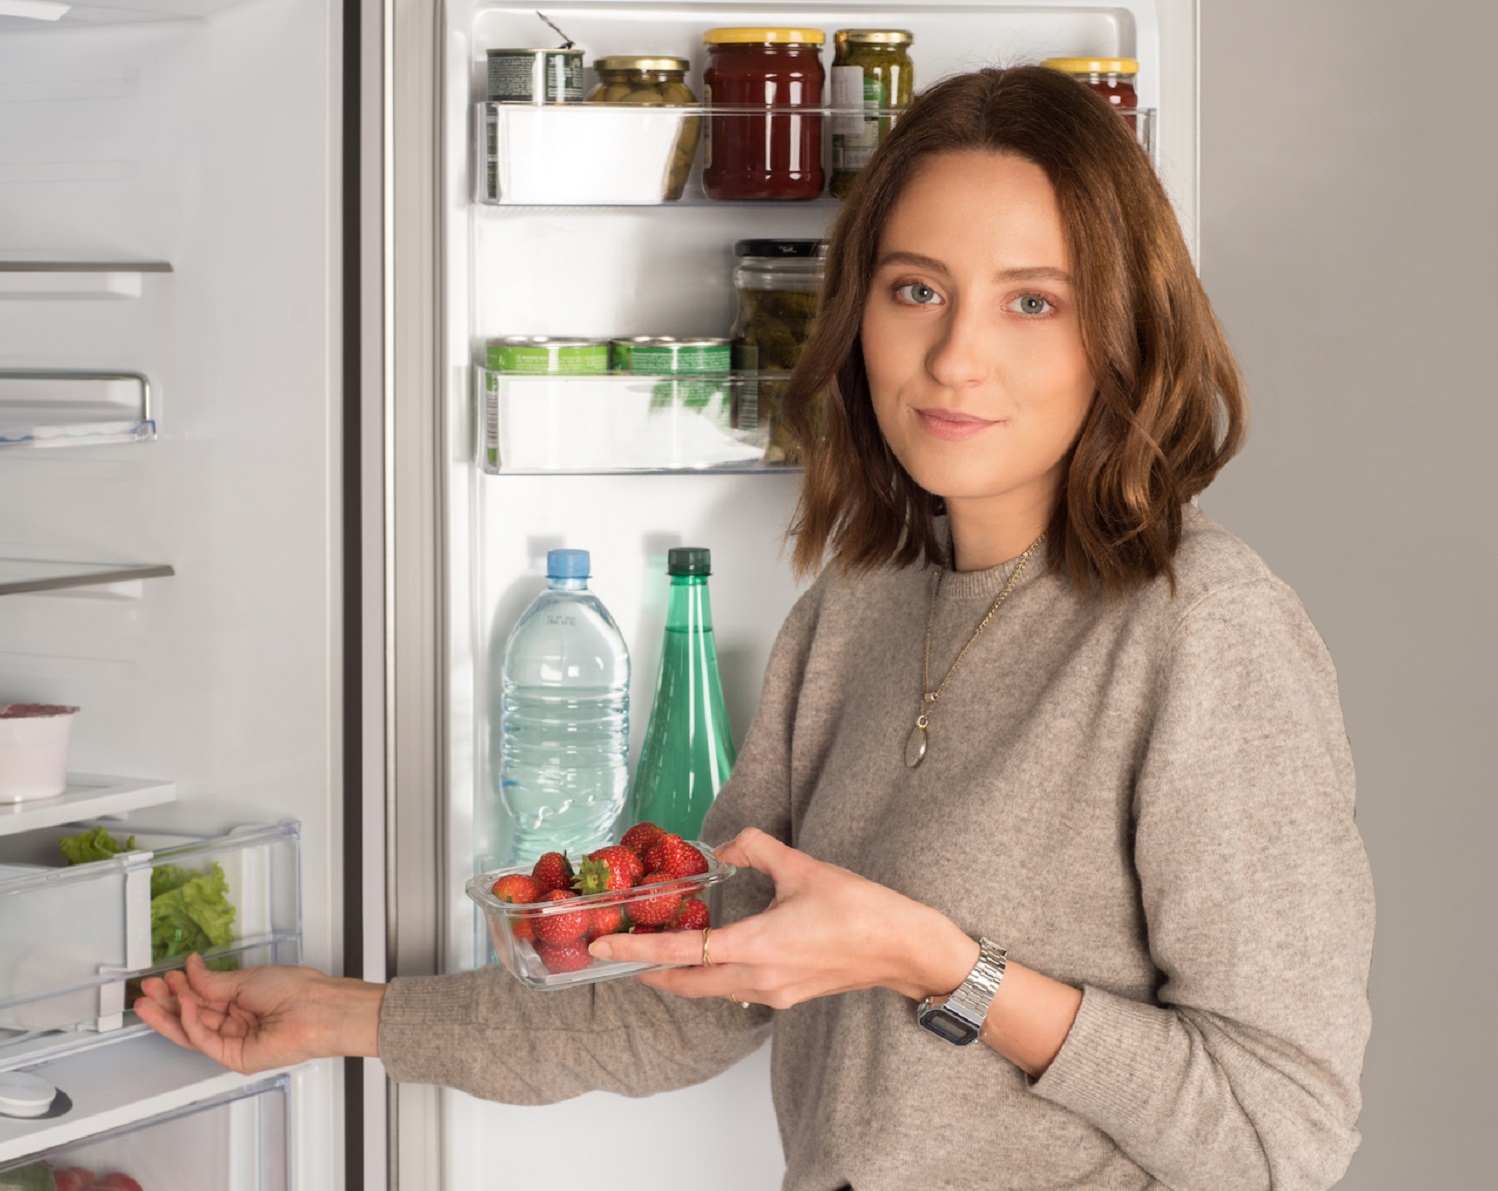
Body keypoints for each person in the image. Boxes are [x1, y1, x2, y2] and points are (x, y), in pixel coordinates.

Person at [136, 66, 1374, 1190]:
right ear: (857, 314)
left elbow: (1279, 1134)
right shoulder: (858, 609)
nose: (953, 358)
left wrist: (943, 968)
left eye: (1031, 303)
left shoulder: (1204, 638)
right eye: (916, 290)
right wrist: (348, 1018)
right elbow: (688, 998)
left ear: (1123, 331)